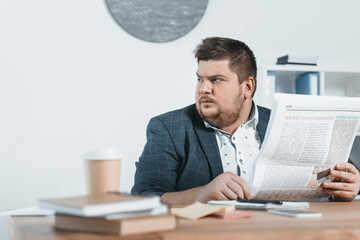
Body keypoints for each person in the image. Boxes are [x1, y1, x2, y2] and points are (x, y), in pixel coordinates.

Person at [131, 37, 360, 204]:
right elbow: (144, 198)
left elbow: (339, 182)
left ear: (247, 87)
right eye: (200, 79)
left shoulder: (284, 123)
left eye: (216, 80)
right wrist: (201, 195)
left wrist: (347, 189)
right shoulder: (169, 128)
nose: (204, 89)